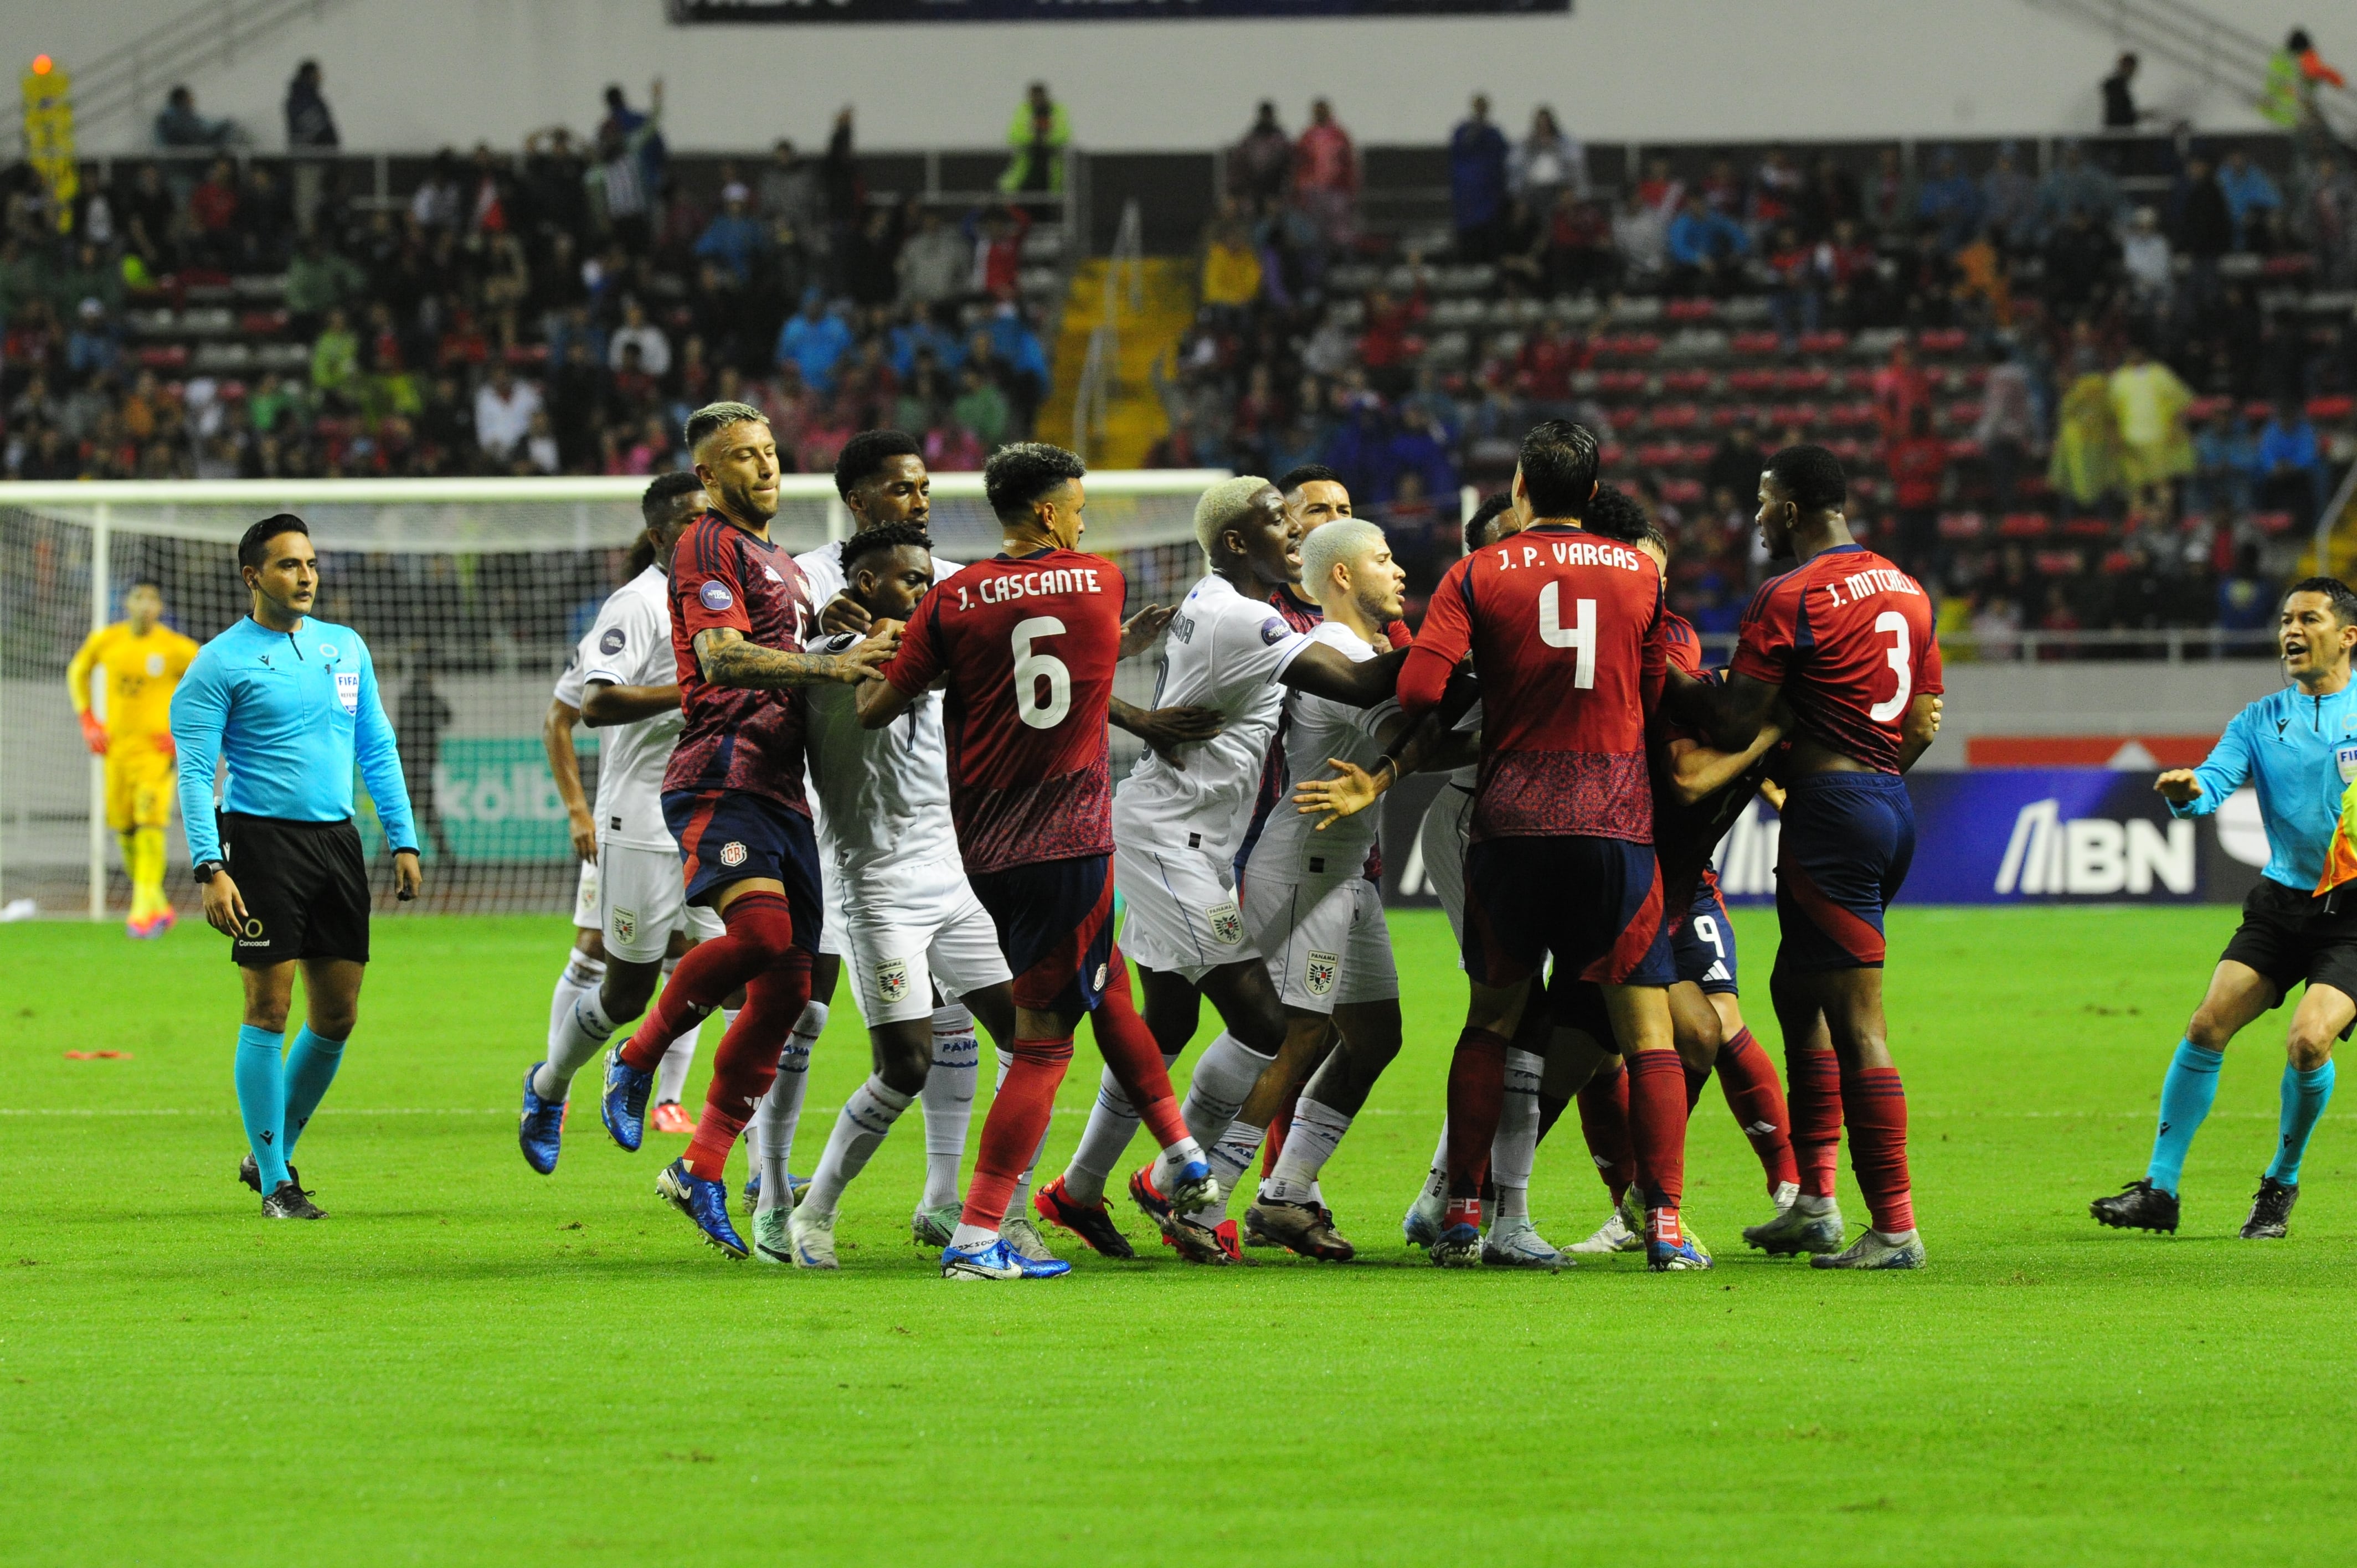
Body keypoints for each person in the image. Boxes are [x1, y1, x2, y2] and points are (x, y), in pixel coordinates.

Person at [855, 442, 1219, 1280]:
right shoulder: (1100, 582)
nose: (1084, 521)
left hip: (987, 852)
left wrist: (881, 644)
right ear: (1050, 513)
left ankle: (1180, 1150)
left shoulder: (949, 599)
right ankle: (977, 1235)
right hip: (1070, 842)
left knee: (1109, 982)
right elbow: (1061, 664)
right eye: (1079, 508)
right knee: (1042, 1047)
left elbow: (876, 709)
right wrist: (1112, 648)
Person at [1063, 477, 1409, 1264]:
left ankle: (1079, 1190)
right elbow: (1362, 684)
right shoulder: (1251, 618)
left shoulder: (1210, 600)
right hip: (1172, 840)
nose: (1295, 533)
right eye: (1279, 522)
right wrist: (1465, 639)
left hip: (1197, 842)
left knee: (1171, 1023)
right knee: (1264, 1021)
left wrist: (1130, 701)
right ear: (1234, 543)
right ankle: (1185, 1181)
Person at [594, 402, 897, 1260]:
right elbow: (721, 655)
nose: (765, 467)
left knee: (790, 992)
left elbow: (782, 640)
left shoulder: (783, 564)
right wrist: (831, 664)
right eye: (743, 456)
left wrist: (829, 628)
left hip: (783, 786)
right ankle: (636, 1056)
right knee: (760, 935)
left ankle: (700, 1169)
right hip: (723, 770)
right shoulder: (707, 544)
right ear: (708, 475)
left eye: (769, 452)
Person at [1396, 421, 1698, 1271]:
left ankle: (1463, 1215)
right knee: (1646, 1034)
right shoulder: (1638, 572)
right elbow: (1648, 698)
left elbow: (1418, 690)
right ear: (1594, 495)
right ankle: (1665, 1228)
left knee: (1492, 1020)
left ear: (1521, 487)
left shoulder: (1477, 571)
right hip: (1614, 824)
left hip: (1512, 825)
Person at [1711, 445, 1945, 1270]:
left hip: (1833, 816)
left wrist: (1678, 684)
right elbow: (1923, 719)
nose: (1756, 518)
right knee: (1795, 989)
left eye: (1762, 502)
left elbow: (1736, 722)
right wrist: (1868, 776)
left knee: (1857, 1023)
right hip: (1886, 803)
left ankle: (1895, 1229)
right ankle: (1814, 1202)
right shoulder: (1907, 588)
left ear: (1791, 508)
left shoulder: (1792, 593)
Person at [783, 522, 1032, 1269]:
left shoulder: (930, 647)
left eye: (930, 579)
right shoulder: (832, 655)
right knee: (906, 1065)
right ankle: (813, 1214)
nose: (929, 590)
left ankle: (998, 1214)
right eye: (912, 580)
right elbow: (877, 679)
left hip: (953, 880)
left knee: (1031, 1039)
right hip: (877, 890)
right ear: (866, 586)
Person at [169, 515, 424, 1220]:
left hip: (337, 843)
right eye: (288, 565)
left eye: (310, 563)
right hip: (259, 846)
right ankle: (278, 1183)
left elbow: (376, 746)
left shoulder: (345, 647)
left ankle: (268, 1153)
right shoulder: (218, 663)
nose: (306, 576)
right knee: (269, 1008)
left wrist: (403, 838)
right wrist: (209, 866)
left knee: (337, 1015)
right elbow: (194, 774)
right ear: (253, 577)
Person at [2093, 578, 2357, 1241]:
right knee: (2207, 1023)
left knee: (2308, 1042)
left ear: (2347, 636)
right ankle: (2159, 1189)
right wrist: (2186, 791)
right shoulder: (2259, 719)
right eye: (2285, 619)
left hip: (2353, 914)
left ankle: (2279, 1184)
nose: (2290, 630)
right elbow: (2211, 783)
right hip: (2281, 902)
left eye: (2308, 619)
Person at [519, 474, 719, 1170]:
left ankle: (754, 1165)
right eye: (692, 520)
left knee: (736, 977)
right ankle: (551, 1086)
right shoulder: (635, 604)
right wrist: (693, 689)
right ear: (661, 536)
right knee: (625, 988)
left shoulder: (731, 596)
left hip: (718, 817)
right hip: (642, 822)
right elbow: (590, 706)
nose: (708, 530)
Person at [1232, 517, 1418, 1260]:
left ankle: (1285, 1192)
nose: (1398, 571)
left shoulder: (1359, 652)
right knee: (1292, 1036)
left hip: (1345, 872)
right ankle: (1198, 1189)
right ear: (1342, 575)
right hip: (1304, 867)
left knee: (1374, 1038)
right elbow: (1409, 735)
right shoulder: (1341, 653)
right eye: (1383, 558)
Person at [66, 579, 200, 938]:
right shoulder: (107, 640)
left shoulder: (176, 648)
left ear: (161, 607)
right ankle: (158, 904)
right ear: (126, 603)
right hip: (117, 753)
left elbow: (211, 683)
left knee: (149, 824)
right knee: (125, 829)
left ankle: (141, 913)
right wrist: (88, 719)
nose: (145, 605)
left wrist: (184, 730)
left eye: (152, 599)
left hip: (155, 755)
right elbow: (77, 671)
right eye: (139, 597)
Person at [1448, 95, 1510, 264]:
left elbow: (1502, 160)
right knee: (1470, 246)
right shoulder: (1463, 132)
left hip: (1489, 199)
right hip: (1469, 200)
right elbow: (1459, 156)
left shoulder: (1494, 134)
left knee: (1490, 245)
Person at [999, 82, 1070, 197]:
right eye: (1034, 96)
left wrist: (1046, 139)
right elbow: (1013, 135)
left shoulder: (1056, 111)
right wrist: (1034, 138)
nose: (1037, 100)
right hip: (1026, 169)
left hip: (1051, 171)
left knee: (1049, 199)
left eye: (1039, 96)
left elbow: (1065, 135)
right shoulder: (1024, 111)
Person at [2101, 53, 2147, 130]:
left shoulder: (2117, 85)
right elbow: (2119, 113)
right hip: (2119, 131)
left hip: (2118, 130)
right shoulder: (2115, 86)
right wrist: (2141, 116)